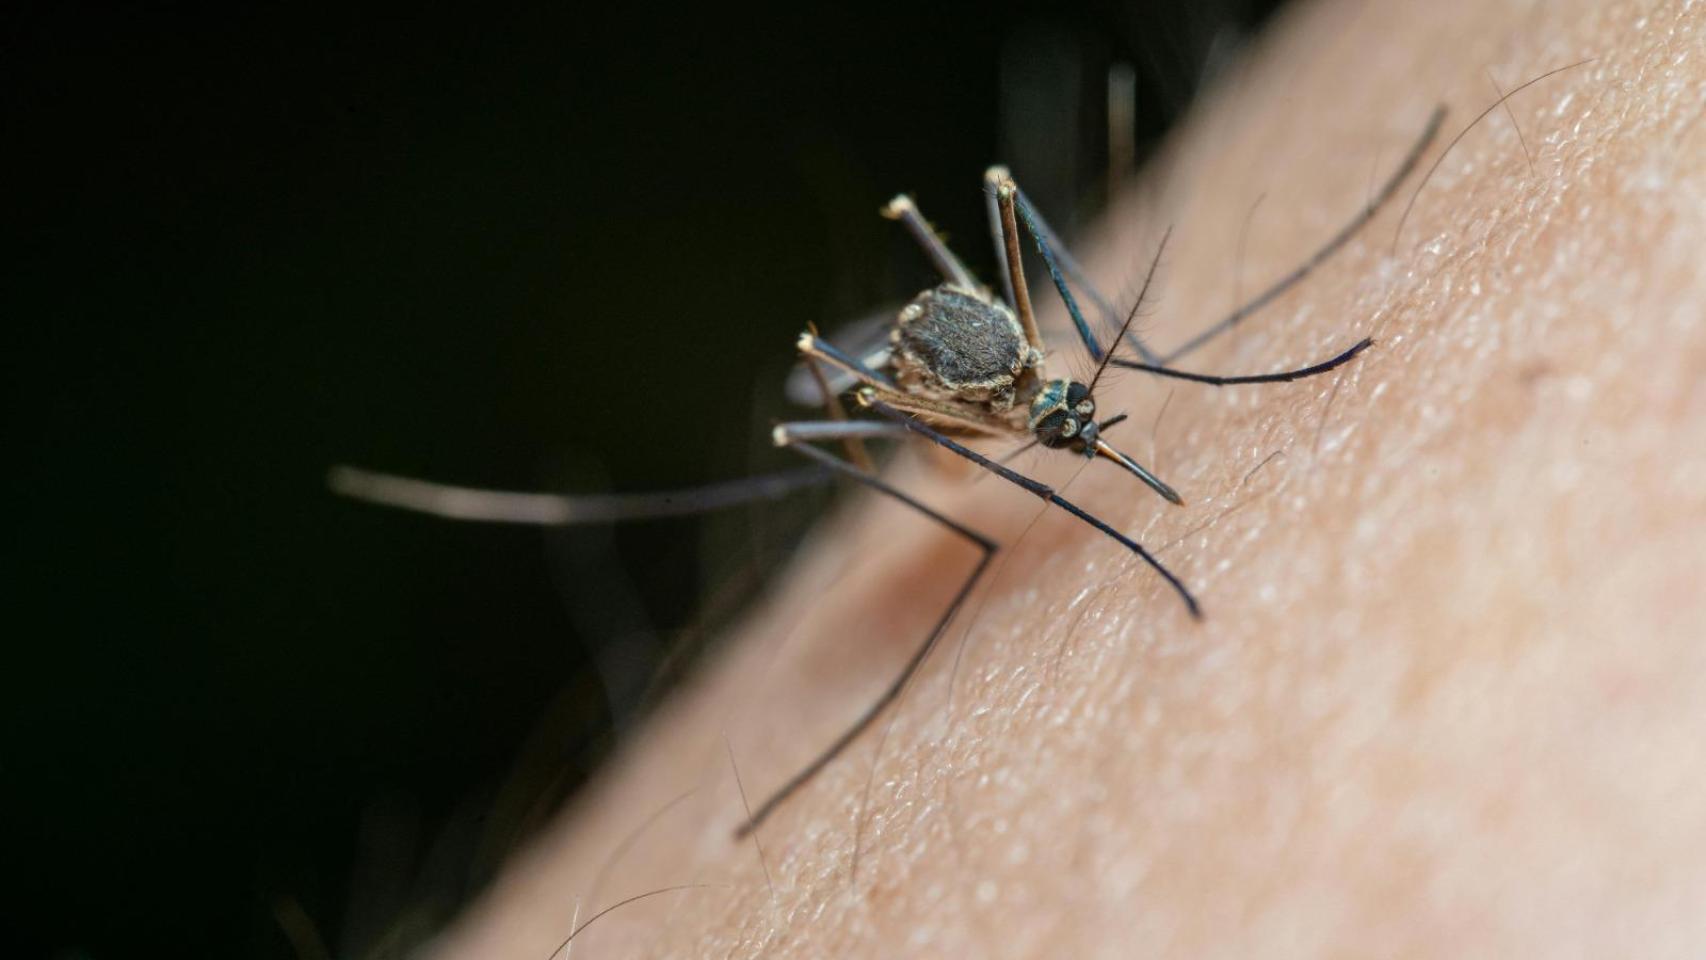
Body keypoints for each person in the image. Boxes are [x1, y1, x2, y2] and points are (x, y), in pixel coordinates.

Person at [433, 0, 1706, 955]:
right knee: (834, 407)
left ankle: (1165, 360)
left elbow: (1058, 357)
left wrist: (1152, 367)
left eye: (1071, 414)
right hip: (912, 384)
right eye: (1065, 421)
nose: (1078, 428)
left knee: (1000, 219)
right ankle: (976, 542)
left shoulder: (1045, 372)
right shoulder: (972, 405)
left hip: (982, 349)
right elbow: (886, 400)